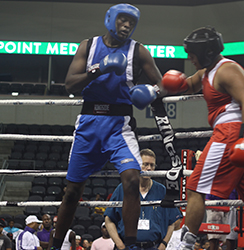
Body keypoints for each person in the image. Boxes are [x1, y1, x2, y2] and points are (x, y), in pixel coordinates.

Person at [160, 26, 244, 250]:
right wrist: (157, 90)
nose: (189, 58)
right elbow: (186, 85)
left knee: (195, 189)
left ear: (207, 53)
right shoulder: (206, 73)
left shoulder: (227, 70)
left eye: (193, 54)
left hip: (235, 131)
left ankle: (183, 246)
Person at [51, 4, 166, 250]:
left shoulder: (139, 51)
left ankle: (132, 245)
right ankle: (55, 245)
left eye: (131, 23)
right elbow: (70, 85)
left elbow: (164, 83)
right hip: (89, 123)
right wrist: (98, 69)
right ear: (110, 19)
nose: (126, 26)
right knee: (72, 192)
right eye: (122, 20)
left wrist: (152, 92)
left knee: (133, 180)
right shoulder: (88, 46)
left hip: (120, 125)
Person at [104, 149, 182, 250]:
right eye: (145, 164)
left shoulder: (161, 190)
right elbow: (108, 219)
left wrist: (163, 244)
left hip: (153, 246)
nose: (149, 168)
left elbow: (172, 221)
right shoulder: (123, 188)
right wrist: (119, 245)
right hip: (127, 246)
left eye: (152, 165)